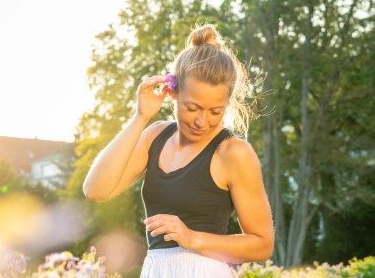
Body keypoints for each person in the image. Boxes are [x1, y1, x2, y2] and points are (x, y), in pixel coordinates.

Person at [83, 24, 274, 277]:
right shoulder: (155, 137)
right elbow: (96, 189)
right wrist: (140, 118)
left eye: (215, 111)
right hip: (156, 269)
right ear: (172, 92)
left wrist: (192, 238)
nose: (201, 121)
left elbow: (262, 244)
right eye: (192, 107)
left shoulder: (233, 153)